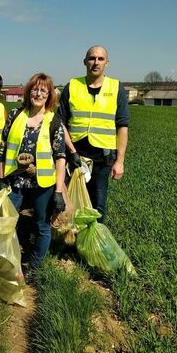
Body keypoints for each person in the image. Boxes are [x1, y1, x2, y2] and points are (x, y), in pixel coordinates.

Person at [0, 73, 66, 271]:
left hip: (42, 182)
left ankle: (35, 267)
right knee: (5, 222)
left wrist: (59, 191)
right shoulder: (15, 115)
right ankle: (7, 262)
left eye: (43, 90)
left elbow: (60, 158)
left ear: (49, 95)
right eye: (35, 89)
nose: (38, 93)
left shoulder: (55, 121)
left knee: (41, 225)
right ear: (28, 92)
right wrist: (2, 178)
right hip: (15, 179)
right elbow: (2, 148)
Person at [58, 46, 129, 223]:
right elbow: (61, 123)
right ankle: (70, 238)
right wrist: (71, 151)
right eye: (92, 58)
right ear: (85, 61)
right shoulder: (72, 86)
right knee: (71, 200)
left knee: (98, 203)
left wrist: (120, 161)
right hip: (75, 154)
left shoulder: (116, 87)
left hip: (102, 157)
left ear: (107, 63)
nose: (95, 62)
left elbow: (122, 127)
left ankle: (94, 244)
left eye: (100, 59)